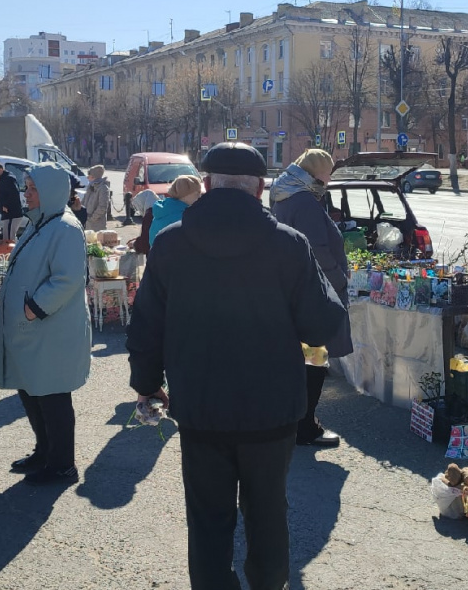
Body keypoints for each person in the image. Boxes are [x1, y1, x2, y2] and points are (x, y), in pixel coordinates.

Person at [127, 143, 346, 590]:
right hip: (272, 411)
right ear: (261, 187)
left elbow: (146, 324)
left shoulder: (170, 244)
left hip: (200, 407)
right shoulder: (288, 245)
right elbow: (323, 324)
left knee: (208, 519)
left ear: (207, 185)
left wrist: (147, 385)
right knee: (267, 515)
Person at [0, 163, 91, 486]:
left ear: (50, 191)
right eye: (27, 188)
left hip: (52, 332)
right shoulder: (37, 223)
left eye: (33, 189)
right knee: (32, 391)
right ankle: (45, 451)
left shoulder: (65, 228)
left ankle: (62, 464)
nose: (27, 194)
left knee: (52, 398)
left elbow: (68, 280)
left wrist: (33, 307)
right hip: (34, 332)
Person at [269, 149, 351, 447]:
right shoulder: (304, 201)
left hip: (291, 290)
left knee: (301, 361)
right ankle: (305, 427)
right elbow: (316, 248)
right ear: (317, 172)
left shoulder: (286, 194)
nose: (331, 178)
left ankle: (293, 421)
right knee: (314, 360)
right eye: (329, 171)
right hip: (313, 294)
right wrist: (339, 280)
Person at [149, 175, 202, 246]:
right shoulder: (183, 216)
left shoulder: (162, 210)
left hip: (158, 254)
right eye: (197, 193)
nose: (199, 196)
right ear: (185, 194)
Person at [0, 162, 23, 241]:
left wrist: (6, 205)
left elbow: (14, 194)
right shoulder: (4, 180)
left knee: (9, 238)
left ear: (0, 170)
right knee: (7, 237)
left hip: (12, 214)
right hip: (8, 214)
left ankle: (11, 252)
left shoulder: (8, 179)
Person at [129, 190, 159, 255]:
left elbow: (145, 242)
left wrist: (134, 243)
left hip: (155, 254)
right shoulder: (159, 209)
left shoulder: (149, 215)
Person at [82, 165, 111, 232]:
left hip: (97, 225)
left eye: (89, 176)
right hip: (87, 223)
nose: (87, 177)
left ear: (93, 177)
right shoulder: (90, 186)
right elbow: (84, 201)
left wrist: (92, 218)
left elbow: (102, 207)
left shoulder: (103, 188)